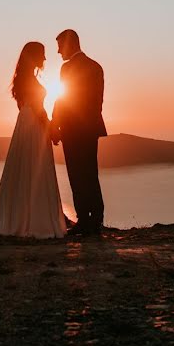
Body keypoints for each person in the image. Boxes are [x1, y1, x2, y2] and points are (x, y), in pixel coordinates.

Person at [0, 42, 67, 239]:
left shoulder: (23, 79)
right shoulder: (30, 81)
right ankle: (36, 223)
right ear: (33, 56)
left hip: (24, 123)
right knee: (35, 170)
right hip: (33, 124)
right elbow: (38, 109)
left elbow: (25, 107)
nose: (45, 59)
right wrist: (49, 129)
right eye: (42, 54)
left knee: (24, 169)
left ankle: (19, 220)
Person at [51, 29, 107, 235]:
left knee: (77, 175)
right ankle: (96, 219)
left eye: (59, 46)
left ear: (68, 44)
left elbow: (63, 98)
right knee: (90, 173)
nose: (58, 52)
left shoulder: (67, 68)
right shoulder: (95, 66)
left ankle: (85, 219)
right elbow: (97, 103)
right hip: (89, 128)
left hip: (74, 129)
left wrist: (56, 125)